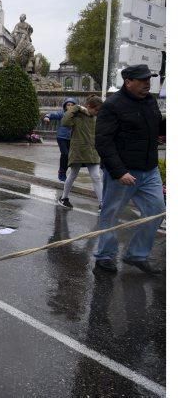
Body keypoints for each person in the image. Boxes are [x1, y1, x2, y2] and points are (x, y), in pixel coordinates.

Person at [93, 64, 165, 274]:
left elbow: (158, 126)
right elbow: (103, 142)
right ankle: (105, 257)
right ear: (128, 82)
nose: (147, 84)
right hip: (123, 173)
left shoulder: (150, 101)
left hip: (149, 170)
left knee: (156, 211)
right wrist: (119, 172)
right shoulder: (112, 106)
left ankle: (136, 255)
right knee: (111, 213)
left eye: (149, 80)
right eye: (142, 80)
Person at [57, 95, 103, 209]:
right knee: (73, 174)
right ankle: (64, 198)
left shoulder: (97, 117)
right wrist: (75, 108)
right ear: (88, 106)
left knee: (96, 176)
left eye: (99, 110)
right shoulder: (78, 115)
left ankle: (102, 204)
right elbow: (65, 122)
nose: (97, 112)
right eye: (96, 110)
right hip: (78, 150)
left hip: (92, 151)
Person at [43, 98, 77, 182]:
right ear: (65, 106)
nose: (70, 106)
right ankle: (61, 172)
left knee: (69, 156)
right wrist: (47, 117)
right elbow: (52, 114)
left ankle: (64, 172)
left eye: (72, 105)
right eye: (68, 105)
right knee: (65, 154)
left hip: (72, 138)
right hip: (61, 137)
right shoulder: (62, 114)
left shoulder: (77, 115)